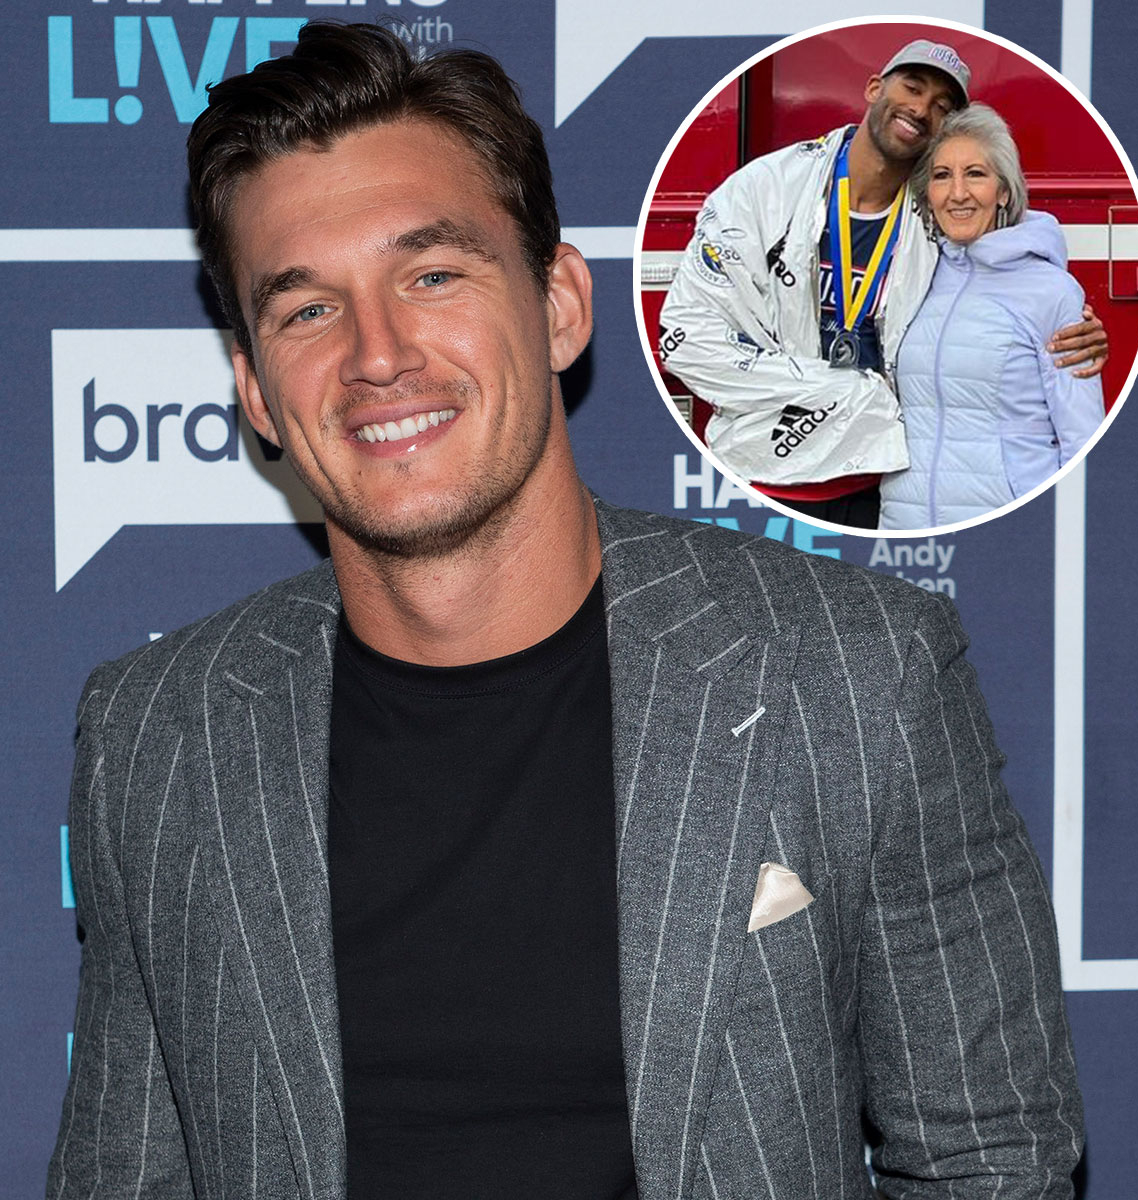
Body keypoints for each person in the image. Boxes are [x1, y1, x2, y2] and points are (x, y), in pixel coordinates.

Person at [47, 22, 1083, 1200]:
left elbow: (992, 1161)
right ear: (255, 392)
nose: (377, 355)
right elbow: (126, 1179)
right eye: (306, 310)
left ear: (559, 306)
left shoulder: (854, 675)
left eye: (432, 276)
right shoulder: (160, 736)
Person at [659, 39, 1106, 529]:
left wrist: (1072, 318)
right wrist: (839, 391)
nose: (922, 109)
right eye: (912, 87)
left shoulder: (936, 223)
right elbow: (687, 339)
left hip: (879, 491)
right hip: (759, 479)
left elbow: (1004, 253)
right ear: (874, 88)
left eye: (941, 106)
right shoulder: (764, 189)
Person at [878, 104, 1106, 528]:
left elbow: (1083, 437)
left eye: (975, 174)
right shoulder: (911, 276)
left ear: (1003, 191)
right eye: (942, 176)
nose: (957, 193)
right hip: (905, 527)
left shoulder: (1051, 291)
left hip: (1006, 533)